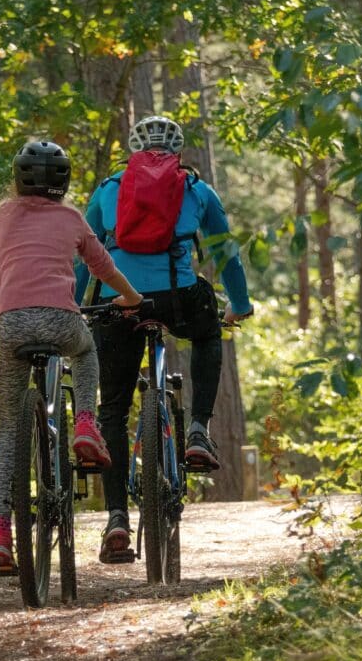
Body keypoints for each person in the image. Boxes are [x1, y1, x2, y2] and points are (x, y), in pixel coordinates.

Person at [74, 115, 253, 564]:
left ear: (134, 150)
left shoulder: (109, 189)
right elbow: (225, 253)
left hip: (118, 302)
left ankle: (117, 517)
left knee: (112, 408)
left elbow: (83, 252)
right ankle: (197, 430)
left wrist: (76, 303)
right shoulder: (197, 190)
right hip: (178, 298)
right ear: (177, 150)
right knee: (208, 333)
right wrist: (240, 303)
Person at [0, 140, 143, 573]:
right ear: (63, 183)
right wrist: (132, 298)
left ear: (18, 178)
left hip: (11, 326)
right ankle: (85, 422)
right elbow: (103, 267)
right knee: (85, 351)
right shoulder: (72, 219)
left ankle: (1, 533)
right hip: (64, 321)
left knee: (8, 430)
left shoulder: (2, 218)